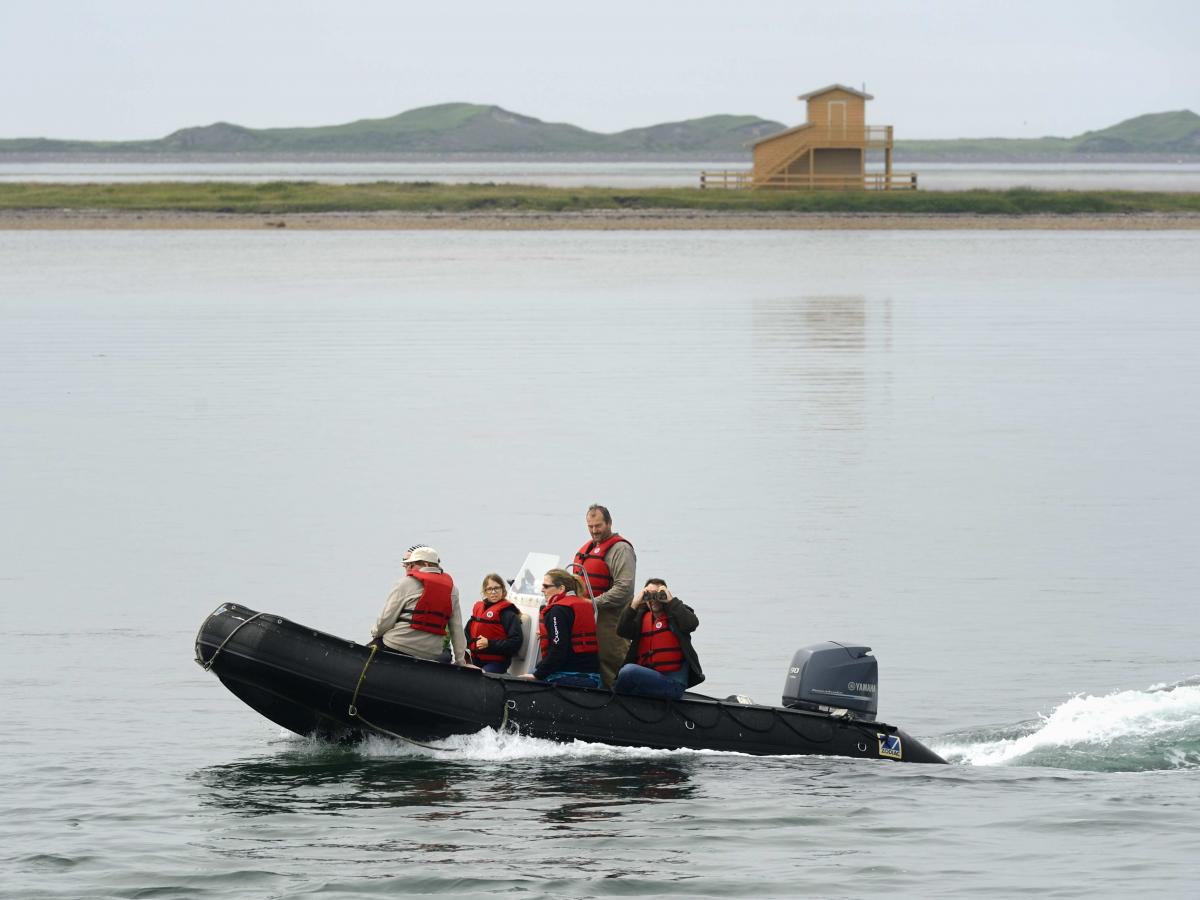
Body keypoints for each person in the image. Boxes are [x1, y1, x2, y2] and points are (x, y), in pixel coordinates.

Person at [572, 503, 636, 688]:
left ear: (609, 523)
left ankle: (622, 705)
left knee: (612, 667)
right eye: (590, 527)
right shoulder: (587, 549)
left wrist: (592, 603)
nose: (594, 531)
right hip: (587, 620)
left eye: (598, 526)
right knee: (591, 665)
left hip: (612, 622)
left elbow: (624, 589)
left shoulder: (621, 550)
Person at [371, 546, 468, 664]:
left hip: (397, 645)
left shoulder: (405, 583)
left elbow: (385, 620)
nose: (409, 569)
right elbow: (457, 629)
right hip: (432, 653)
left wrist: (376, 635)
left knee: (373, 645)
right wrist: (460, 660)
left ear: (426, 564)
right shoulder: (452, 590)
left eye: (412, 565)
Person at [613, 578, 704, 700]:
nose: (654, 599)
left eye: (658, 594)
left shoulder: (676, 615)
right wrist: (634, 604)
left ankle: (615, 701)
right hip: (649, 681)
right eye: (648, 595)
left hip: (673, 684)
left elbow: (691, 624)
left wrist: (671, 600)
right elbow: (622, 630)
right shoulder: (642, 618)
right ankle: (617, 703)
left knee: (628, 671)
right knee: (623, 674)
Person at [522, 568, 601, 688]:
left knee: (525, 680)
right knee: (536, 669)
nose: (542, 589)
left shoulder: (558, 610)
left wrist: (537, 675)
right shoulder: (583, 604)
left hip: (570, 674)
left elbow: (559, 649)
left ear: (561, 589)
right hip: (592, 675)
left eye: (546, 586)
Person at [465, 573, 524, 674]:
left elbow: (515, 643)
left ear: (503, 590)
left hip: (497, 662)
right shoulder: (478, 609)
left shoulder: (508, 614)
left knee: (480, 675)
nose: (493, 592)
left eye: (497, 588)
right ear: (485, 591)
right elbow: (466, 634)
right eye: (490, 589)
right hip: (475, 659)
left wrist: (490, 644)